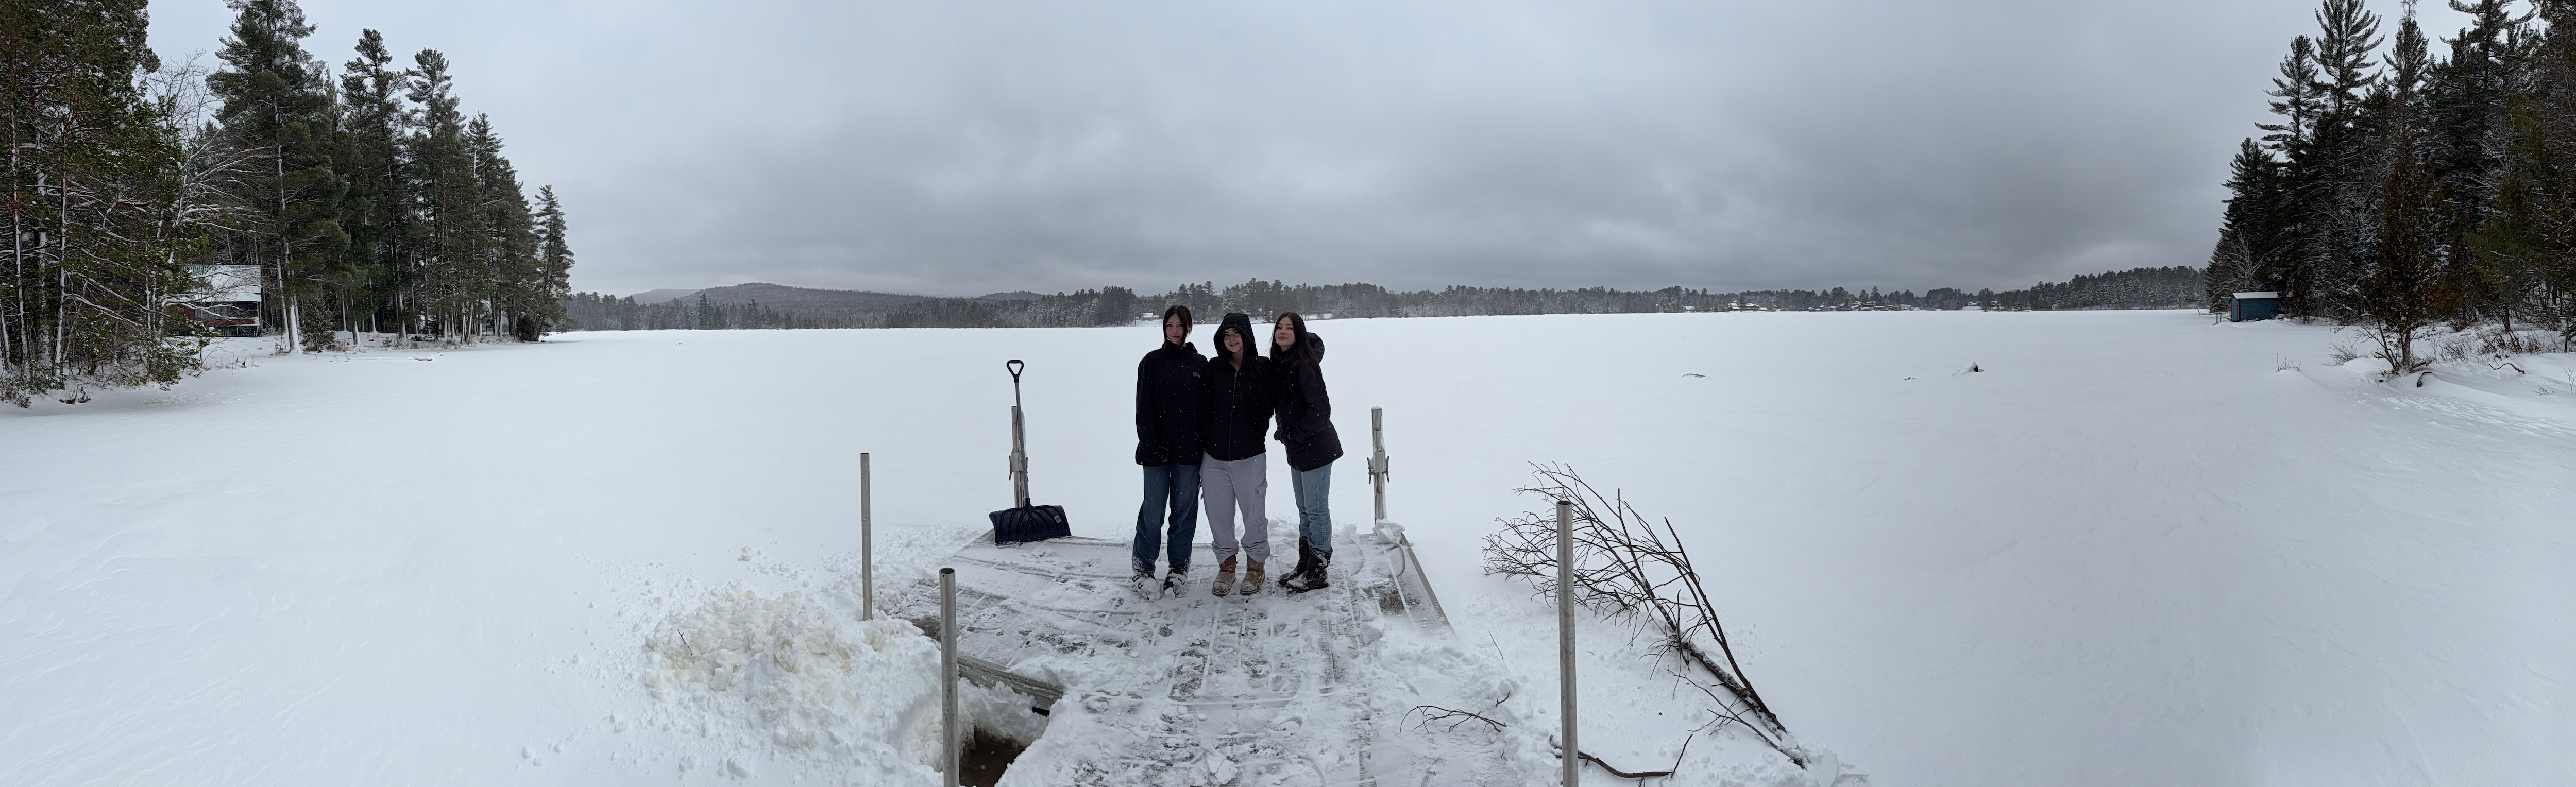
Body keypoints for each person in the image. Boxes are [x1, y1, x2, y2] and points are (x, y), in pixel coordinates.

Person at [1133, 305, 1207, 599]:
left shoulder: (1200, 363)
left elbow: (1205, 412)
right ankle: (1143, 568)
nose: (1175, 330)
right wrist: (1151, 445)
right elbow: (1143, 408)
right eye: (1170, 325)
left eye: (1180, 325)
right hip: (1156, 453)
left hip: (1189, 453)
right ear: (1164, 328)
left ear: (1189, 328)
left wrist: (1203, 449)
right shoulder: (1152, 362)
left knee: (1184, 513)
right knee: (1153, 511)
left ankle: (1179, 567)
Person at [1198, 313, 1275, 597]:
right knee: (1218, 514)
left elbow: (1268, 407)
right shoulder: (1214, 367)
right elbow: (1204, 407)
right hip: (1214, 458)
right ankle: (1227, 565)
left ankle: (1256, 566)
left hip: (1250, 457)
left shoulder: (1262, 368)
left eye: (1236, 333)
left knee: (1254, 514)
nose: (1231, 339)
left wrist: (1256, 433)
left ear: (1247, 337)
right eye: (1226, 334)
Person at [1269, 312, 1343, 593]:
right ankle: (1306, 564)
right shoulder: (1282, 364)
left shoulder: (1304, 365)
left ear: (1299, 333)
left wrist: (1293, 435)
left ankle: (1318, 571)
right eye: (1279, 327)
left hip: (1316, 448)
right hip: (1299, 449)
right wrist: (1285, 433)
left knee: (1316, 510)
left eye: (1290, 328)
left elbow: (1320, 411)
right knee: (1305, 510)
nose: (1283, 331)